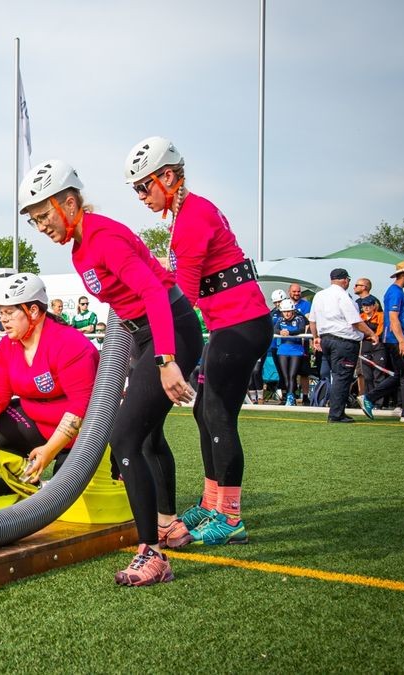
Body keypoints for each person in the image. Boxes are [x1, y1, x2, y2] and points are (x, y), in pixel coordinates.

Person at [21, 160, 201, 586]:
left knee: (123, 437)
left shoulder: (101, 236)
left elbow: (154, 292)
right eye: (34, 221)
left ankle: (151, 555)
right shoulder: (79, 246)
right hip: (146, 336)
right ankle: (168, 525)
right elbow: (125, 302)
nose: (42, 226)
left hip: (168, 329)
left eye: (45, 215)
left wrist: (166, 360)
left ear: (69, 202)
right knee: (147, 436)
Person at [125, 137, 273, 546]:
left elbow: (184, 298)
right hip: (233, 323)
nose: (140, 196)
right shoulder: (188, 213)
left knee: (219, 415)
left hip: (239, 324)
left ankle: (229, 516)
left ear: (168, 176)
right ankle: (213, 504)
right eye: (135, 188)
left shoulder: (192, 219)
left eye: (144, 186)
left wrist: (159, 343)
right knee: (205, 414)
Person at [0, 273, 99, 491]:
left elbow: (81, 407)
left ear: (33, 311)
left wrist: (50, 449)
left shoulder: (69, 343)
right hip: (37, 424)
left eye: (9, 312)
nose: (2, 319)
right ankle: (24, 483)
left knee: (66, 497)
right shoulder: (7, 346)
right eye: (0, 313)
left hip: (79, 435)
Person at [309, 268, 379, 422]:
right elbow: (355, 321)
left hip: (326, 339)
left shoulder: (319, 295)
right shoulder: (343, 296)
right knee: (342, 377)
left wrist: (315, 337)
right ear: (345, 280)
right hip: (343, 341)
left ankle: (337, 411)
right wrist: (371, 334)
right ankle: (336, 414)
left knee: (337, 376)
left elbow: (312, 320)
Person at [361, 261, 404, 423]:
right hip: (397, 340)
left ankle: (368, 398)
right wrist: (402, 341)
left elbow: (397, 318)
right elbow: (393, 318)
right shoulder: (395, 292)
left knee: (400, 375)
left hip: (396, 338)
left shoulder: (397, 292)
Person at [273, 299, 307, 406]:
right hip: (283, 349)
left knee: (292, 375)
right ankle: (289, 394)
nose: (286, 314)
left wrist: (289, 332)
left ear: (293, 311)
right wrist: (280, 332)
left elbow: (301, 329)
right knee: (285, 375)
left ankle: (291, 396)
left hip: (296, 349)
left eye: (288, 311)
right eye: (284, 311)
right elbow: (274, 329)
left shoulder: (299, 318)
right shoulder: (280, 320)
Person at [357, 296, 387, 398]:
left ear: (374, 306)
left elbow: (380, 330)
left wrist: (374, 336)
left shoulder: (380, 316)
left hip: (378, 345)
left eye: (369, 305)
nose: (366, 307)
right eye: (364, 305)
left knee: (379, 374)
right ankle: (369, 398)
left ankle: (379, 400)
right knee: (367, 375)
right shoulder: (360, 317)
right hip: (365, 345)